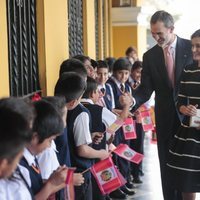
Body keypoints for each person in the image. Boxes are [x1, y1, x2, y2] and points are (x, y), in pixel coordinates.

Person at [132, 10, 193, 200]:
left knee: (189, 170)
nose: (156, 37)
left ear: (171, 29)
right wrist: (131, 101)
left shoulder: (192, 48)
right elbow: (145, 89)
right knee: (166, 169)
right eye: (153, 33)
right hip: (165, 119)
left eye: (160, 33)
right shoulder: (149, 56)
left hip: (190, 119)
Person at [55, 72, 110, 200]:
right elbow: (82, 150)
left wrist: (89, 135)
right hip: (79, 174)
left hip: (63, 174)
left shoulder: (53, 109)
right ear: (74, 101)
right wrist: (102, 153)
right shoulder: (81, 113)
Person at [167, 29, 200, 200]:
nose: (194, 50)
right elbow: (180, 101)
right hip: (189, 133)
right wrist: (184, 109)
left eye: (198, 46)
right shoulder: (188, 70)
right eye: (193, 46)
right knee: (187, 183)